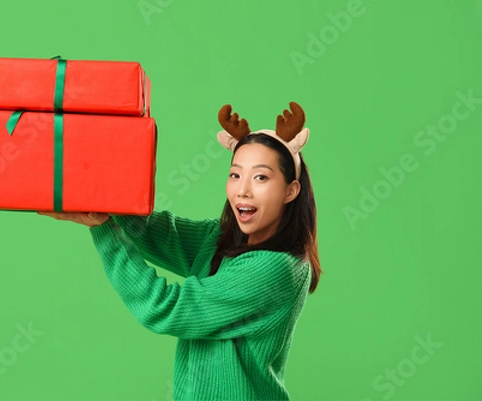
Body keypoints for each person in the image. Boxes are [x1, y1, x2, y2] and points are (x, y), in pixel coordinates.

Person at [38, 102, 322, 401]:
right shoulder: (224, 240)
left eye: (261, 177)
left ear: (290, 190)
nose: (243, 190)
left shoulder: (275, 268)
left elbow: (168, 310)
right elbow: (159, 234)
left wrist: (104, 229)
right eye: (236, 175)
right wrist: (102, 191)